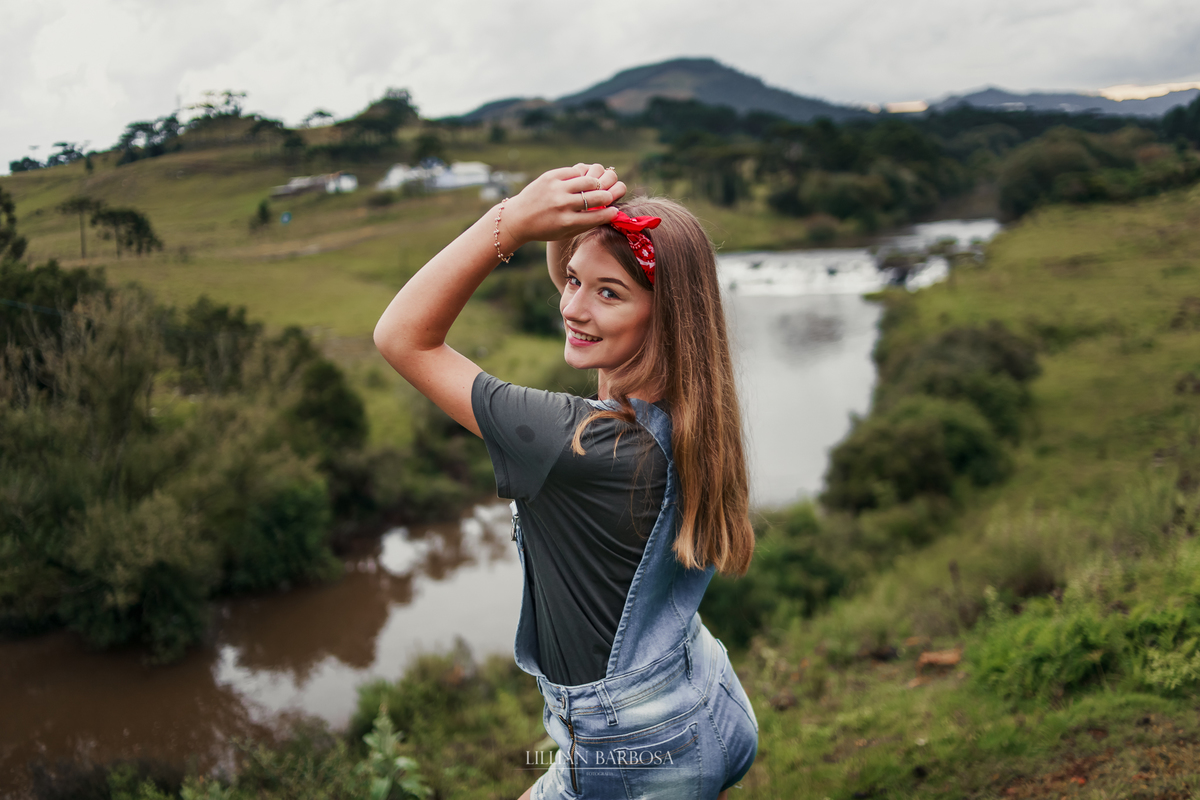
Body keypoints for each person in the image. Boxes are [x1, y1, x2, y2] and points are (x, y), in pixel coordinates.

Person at [374, 162, 758, 799]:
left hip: (635, 754)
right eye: (574, 280)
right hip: (707, 701)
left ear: (663, 317)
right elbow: (585, 291)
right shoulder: (691, 405)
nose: (572, 307)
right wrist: (576, 228)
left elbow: (402, 337)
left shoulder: (575, 444)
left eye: (608, 294)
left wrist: (508, 224)